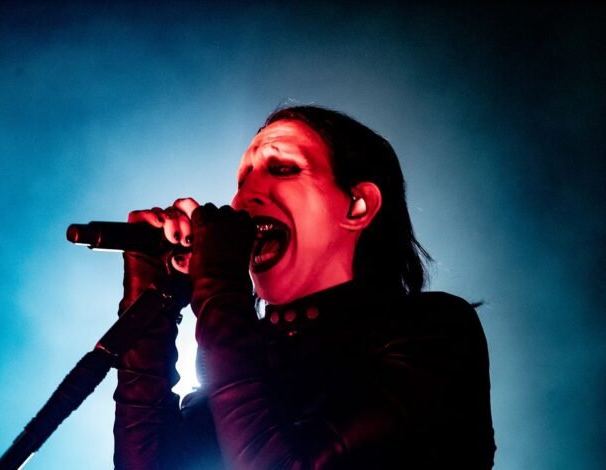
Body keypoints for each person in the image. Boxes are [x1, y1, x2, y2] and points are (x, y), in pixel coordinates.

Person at [112, 105, 496, 469]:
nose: (242, 199)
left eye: (282, 169)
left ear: (358, 205)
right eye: (241, 181)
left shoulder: (434, 330)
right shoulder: (242, 350)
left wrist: (219, 288)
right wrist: (151, 301)